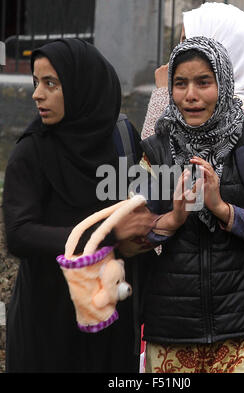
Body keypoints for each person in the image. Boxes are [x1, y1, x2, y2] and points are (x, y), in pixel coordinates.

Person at [141, 2, 244, 373]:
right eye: (180, 83)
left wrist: (223, 209)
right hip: (173, 327)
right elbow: (133, 234)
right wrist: (174, 219)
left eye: (204, 82)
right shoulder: (157, 150)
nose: (190, 95)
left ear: (224, 81)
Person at [2, 38, 155, 373]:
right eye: (35, 82)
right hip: (46, 324)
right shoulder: (32, 152)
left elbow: (144, 209)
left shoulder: (122, 140)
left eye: (50, 84)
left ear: (83, 86)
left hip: (111, 317)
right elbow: (20, 234)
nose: (37, 94)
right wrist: (108, 234)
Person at [141, 2, 244, 140]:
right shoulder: (243, 110)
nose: (180, 49)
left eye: (186, 40)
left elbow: (154, 152)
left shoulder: (229, 115)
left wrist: (163, 92)